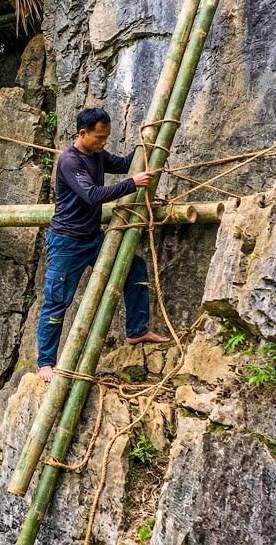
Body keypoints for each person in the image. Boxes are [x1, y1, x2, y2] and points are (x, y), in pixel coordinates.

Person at [37, 108, 169, 383]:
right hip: (66, 243)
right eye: (99, 137)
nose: (103, 142)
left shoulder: (97, 154)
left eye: (106, 137)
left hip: (92, 238)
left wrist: (149, 142)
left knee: (135, 267)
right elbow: (92, 195)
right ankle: (46, 363)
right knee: (57, 301)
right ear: (82, 133)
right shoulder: (70, 161)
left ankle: (136, 330)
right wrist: (133, 184)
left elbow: (123, 165)